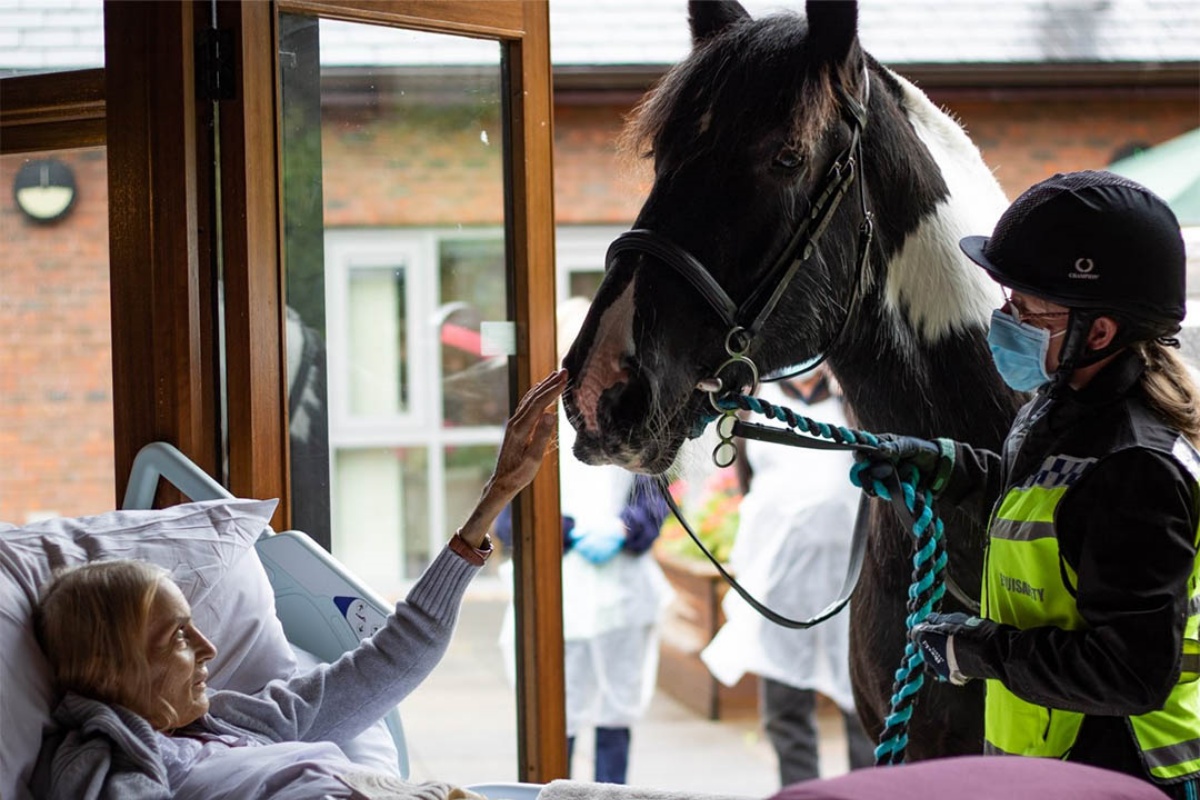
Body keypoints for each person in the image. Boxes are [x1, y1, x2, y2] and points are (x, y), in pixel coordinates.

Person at [31, 369, 568, 800]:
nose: (209, 648)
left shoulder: (231, 719)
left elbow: (393, 660)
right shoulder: (102, 761)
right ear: (112, 664)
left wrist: (497, 494)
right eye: (176, 636)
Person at [856, 171, 1199, 797]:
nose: (1004, 319)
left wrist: (982, 651)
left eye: (1026, 308)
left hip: (1124, 776)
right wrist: (944, 465)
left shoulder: (1136, 468)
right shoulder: (1059, 407)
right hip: (1059, 767)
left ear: (1099, 333)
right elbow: (1048, 506)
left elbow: (1131, 673)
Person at [495, 297, 671, 785]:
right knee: (558, 718)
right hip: (559, 595)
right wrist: (570, 531)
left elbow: (655, 501)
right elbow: (511, 517)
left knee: (615, 717)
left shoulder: (639, 417)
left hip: (622, 595)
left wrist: (622, 529)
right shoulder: (533, 424)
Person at [701, 366, 875, 786]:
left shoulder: (850, 398)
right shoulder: (755, 401)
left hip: (850, 577)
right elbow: (747, 481)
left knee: (862, 698)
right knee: (784, 702)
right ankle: (799, 793)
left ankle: (868, 790)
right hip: (778, 578)